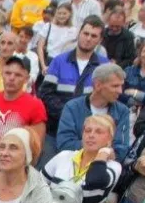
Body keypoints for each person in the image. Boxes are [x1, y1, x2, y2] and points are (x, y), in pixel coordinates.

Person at [37, 17, 108, 160]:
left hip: (89, 133)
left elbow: (106, 99)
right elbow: (45, 94)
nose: (88, 38)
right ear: (79, 33)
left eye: (93, 36)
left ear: (99, 41)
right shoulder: (59, 61)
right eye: (85, 33)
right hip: (54, 129)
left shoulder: (104, 67)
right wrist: (68, 113)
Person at [56, 64, 131, 161]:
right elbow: (64, 144)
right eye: (115, 86)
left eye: (121, 86)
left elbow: (121, 150)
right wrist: (102, 148)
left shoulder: (122, 111)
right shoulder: (72, 107)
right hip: (73, 163)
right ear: (98, 85)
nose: (120, 91)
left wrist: (90, 146)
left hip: (106, 167)